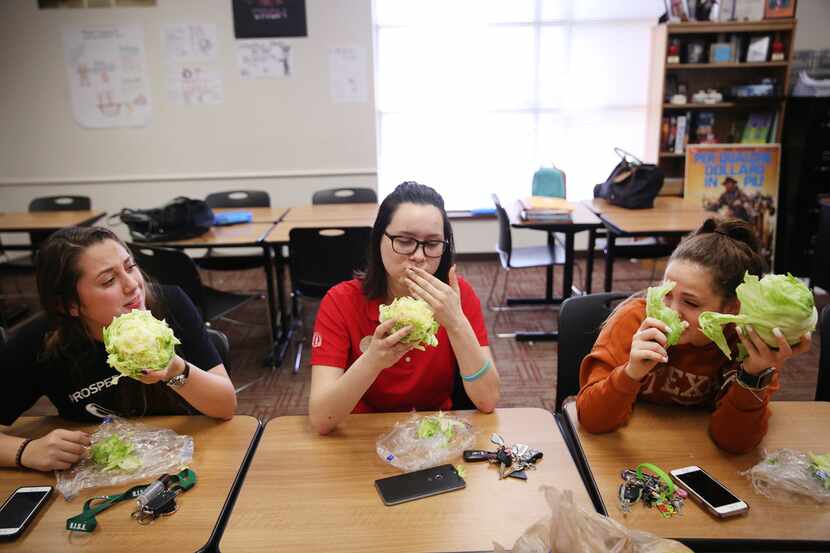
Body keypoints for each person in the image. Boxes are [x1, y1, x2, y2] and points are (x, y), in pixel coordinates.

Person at [0, 227, 237, 472]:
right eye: (108, 280)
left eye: (130, 266)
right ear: (69, 305)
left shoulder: (171, 305)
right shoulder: (41, 342)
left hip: (190, 461)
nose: (132, 284)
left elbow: (225, 406)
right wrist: (25, 451)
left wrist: (174, 368)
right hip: (99, 473)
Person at [576, 218, 811, 453]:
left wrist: (753, 376)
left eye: (690, 302)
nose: (670, 311)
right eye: (665, 293)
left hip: (698, 453)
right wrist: (631, 373)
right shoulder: (636, 320)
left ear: (731, 308)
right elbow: (592, 420)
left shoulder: (750, 343)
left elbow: (735, 443)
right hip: (634, 445)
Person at [308, 182, 500, 434]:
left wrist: (456, 322)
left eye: (432, 244)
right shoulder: (340, 301)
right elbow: (322, 419)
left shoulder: (456, 297)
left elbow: (488, 400)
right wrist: (373, 361)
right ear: (379, 240)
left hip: (435, 435)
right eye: (405, 241)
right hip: (361, 435)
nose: (419, 256)